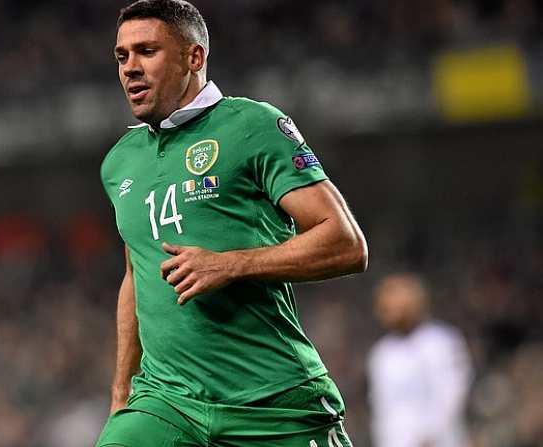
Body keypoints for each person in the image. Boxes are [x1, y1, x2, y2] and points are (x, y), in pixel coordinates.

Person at [97, 1, 368, 445]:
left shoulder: (252, 126)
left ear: (194, 57)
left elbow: (346, 244)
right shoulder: (119, 163)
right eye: (122, 56)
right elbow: (136, 273)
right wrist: (122, 390)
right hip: (167, 404)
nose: (130, 68)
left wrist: (231, 264)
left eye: (147, 51)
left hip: (272, 400)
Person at [368, 273, 472, 447]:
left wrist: (431, 435)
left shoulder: (441, 342)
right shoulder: (381, 354)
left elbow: (452, 395)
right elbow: (381, 410)